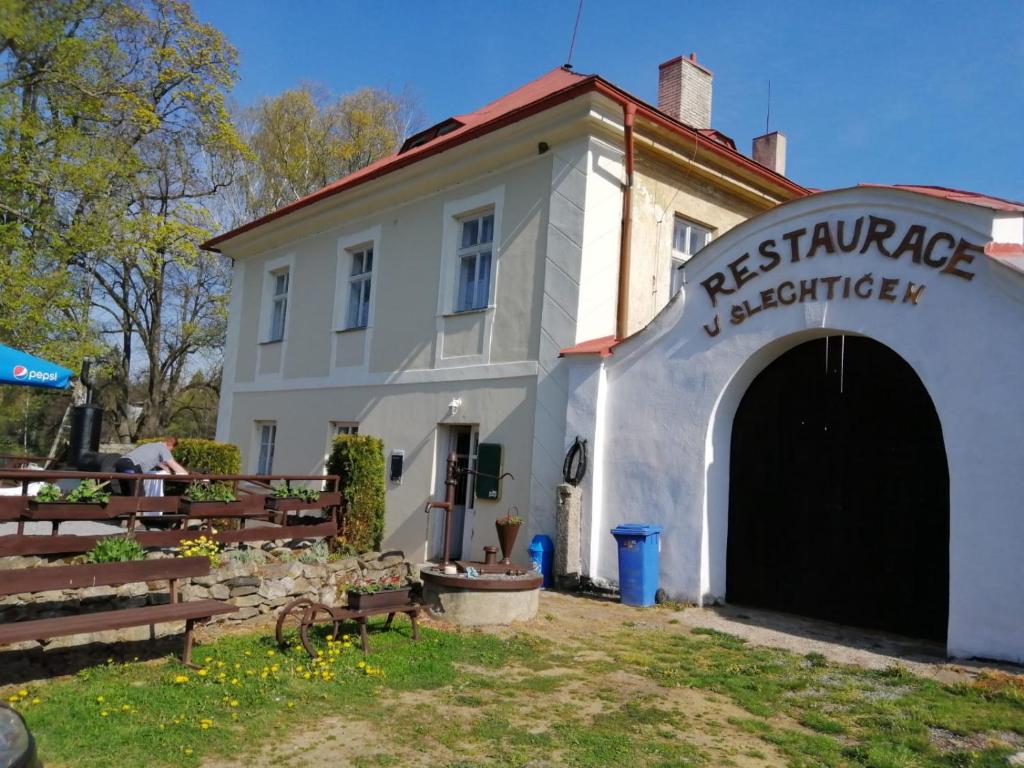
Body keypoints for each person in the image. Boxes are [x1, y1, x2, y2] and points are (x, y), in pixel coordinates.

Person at [114, 437, 188, 494]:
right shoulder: (163, 447)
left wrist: (167, 470)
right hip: (131, 466)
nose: (170, 452)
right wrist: (187, 475)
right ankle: (137, 514)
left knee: (127, 495)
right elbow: (173, 464)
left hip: (120, 463)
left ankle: (127, 513)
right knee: (139, 497)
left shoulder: (151, 445)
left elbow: (160, 464)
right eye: (172, 450)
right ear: (171, 445)